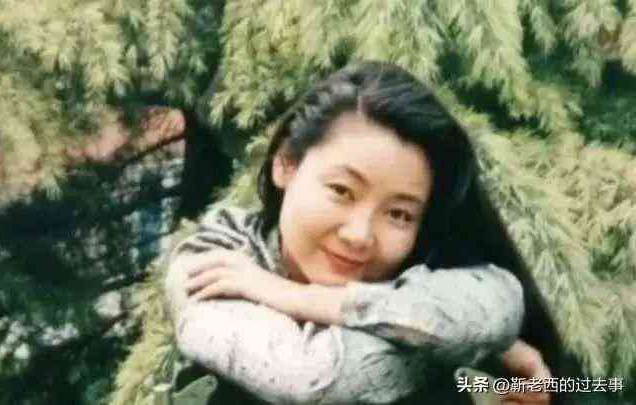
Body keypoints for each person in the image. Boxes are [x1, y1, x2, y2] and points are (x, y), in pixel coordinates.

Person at [164, 61, 565, 404]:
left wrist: (295, 296)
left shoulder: (427, 266)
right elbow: (308, 376)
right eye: (342, 191)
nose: (359, 235)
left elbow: (501, 302)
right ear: (286, 163)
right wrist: (460, 343)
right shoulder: (213, 258)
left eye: (399, 214)